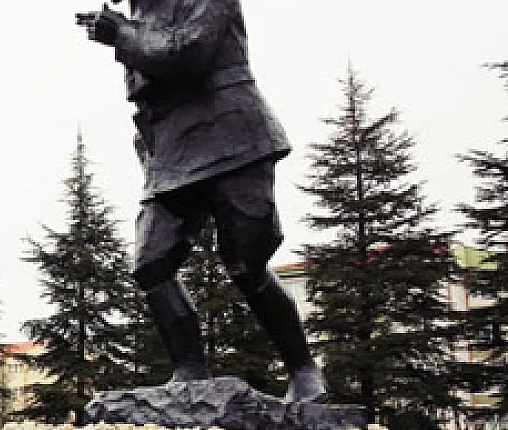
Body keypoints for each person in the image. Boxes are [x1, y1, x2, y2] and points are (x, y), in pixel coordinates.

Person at [78, 0, 326, 403]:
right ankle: (189, 372)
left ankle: (303, 370)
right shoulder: (140, 12)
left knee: (247, 262)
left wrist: (120, 34)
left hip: (231, 132)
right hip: (171, 147)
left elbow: (188, 53)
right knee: (151, 262)